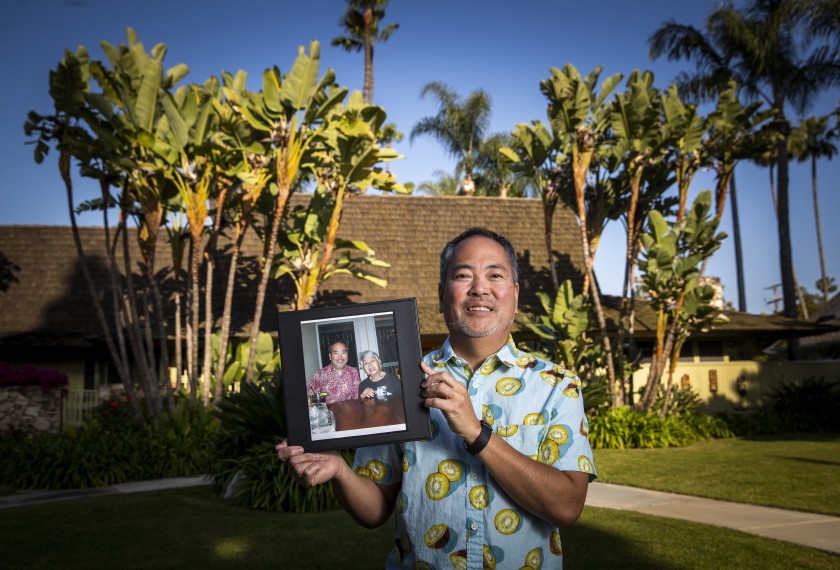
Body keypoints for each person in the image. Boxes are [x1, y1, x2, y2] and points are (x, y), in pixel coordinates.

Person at [277, 228, 595, 568]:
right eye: (463, 275)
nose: (480, 288)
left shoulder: (556, 386)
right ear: (442, 292)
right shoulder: (404, 382)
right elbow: (374, 511)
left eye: (495, 275)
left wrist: (476, 432)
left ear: (514, 294)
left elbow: (566, 507)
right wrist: (340, 470)